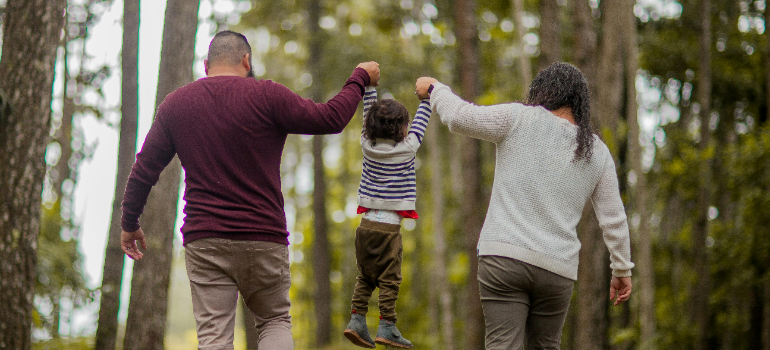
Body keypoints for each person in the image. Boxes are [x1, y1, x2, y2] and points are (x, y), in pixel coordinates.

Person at [118, 30, 380, 350]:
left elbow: (144, 170)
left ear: (206, 65)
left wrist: (130, 223)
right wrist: (359, 77)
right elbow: (331, 118)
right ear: (246, 60)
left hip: (206, 239)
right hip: (263, 236)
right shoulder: (268, 95)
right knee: (274, 321)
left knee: (214, 337)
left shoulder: (176, 104)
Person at [414, 62, 634, 350]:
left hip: (504, 257)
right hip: (557, 269)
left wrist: (434, 89)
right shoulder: (596, 151)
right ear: (580, 102)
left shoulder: (518, 118)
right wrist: (621, 269)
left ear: (542, 91)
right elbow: (613, 218)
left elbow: (458, 117)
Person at [342, 84, 432, 349]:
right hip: (388, 230)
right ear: (402, 129)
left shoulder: (366, 145)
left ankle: (356, 319)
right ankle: (387, 325)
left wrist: (369, 87)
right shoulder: (408, 148)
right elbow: (422, 121)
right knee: (389, 279)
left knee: (366, 276)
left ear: (370, 127)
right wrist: (426, 98)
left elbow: (366, 113)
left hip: (365, 226)